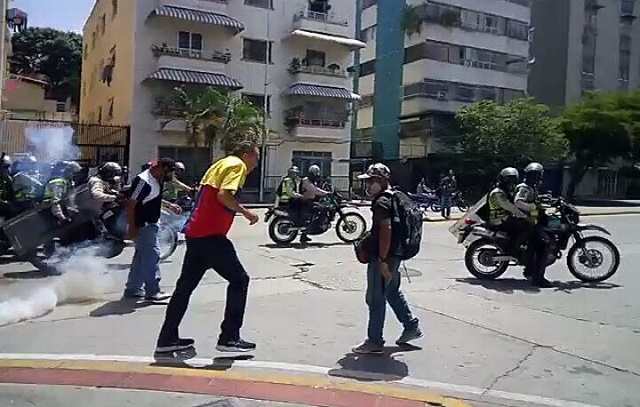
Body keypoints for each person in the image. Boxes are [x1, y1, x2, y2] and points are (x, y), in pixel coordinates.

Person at [156, 142, 260, 354]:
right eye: (255, 159)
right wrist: (246, 212)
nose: (255, 165)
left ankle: (167, 339)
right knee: (240, 280)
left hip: (196, 233)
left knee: (184, 288)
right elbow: (224, 195)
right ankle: (229, 338)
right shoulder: (236, 165)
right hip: (211, 235)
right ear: (246, 155)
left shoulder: (218, 164)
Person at [352, 163, 422, 354]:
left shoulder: (382, 201)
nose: (369, 185)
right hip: (396, 254)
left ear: (381, 180)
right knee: (391, 291)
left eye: (372, 180)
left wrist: (382, 260)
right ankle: (411, 326)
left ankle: (374, 340)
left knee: (375, 298)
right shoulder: (395, 196)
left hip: (384, 257)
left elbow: (386, 229)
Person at [123, 158, 182, 301]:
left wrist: (169, 205)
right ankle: (152, 291)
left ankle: (133, 289)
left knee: (141, 258)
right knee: (152, 256)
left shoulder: (157, 180)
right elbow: (131, 204)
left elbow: (152, 198)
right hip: (144, 225)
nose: (171, 175)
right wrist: (132, 227)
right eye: (170, 171)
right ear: (162, 168)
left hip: (151, 223)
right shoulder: (143, 181)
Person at [515, 162, 552, 288]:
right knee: (543, 244)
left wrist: (545, 199)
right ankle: (538, 278)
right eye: (535, 175)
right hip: (526, 221)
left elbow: (534, 201)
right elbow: (518, 202)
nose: (537, 178)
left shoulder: (531, 188)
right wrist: (533, 207)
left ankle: (529, 270)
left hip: (531, 220)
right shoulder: (524, 188)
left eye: (537, 175)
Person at [487, 167, 528, 254]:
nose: (510, 183)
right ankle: (513, 250)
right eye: (508, 180)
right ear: (502, 180)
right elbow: (510, 207)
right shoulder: (497, 193)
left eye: (512, 180)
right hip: (499, 220)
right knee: (525, 226)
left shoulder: (504, 191)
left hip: (504, 218)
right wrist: (524, 216)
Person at [87, 162, 122, 235]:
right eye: (112, 174)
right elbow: (97, 194)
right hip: (93, 211)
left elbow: (111, 190)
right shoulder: (97, 181)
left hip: (97, 209)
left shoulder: (102, 181)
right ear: (107, 172)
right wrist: (113, 197)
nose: (113, 176)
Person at [299, 164, 329, 243]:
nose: (316, 176)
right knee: (322, 209)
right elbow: (314, 190)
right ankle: (315, 227)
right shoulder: (306, 181)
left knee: (316, 211)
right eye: (316, 174)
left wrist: (325, 192)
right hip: (306, 201)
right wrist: (326, 193)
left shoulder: (310, 181)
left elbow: (316, 188)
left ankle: (304, 234)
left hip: (308, 200)